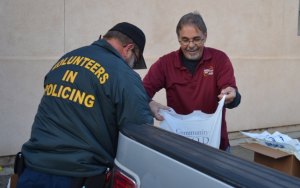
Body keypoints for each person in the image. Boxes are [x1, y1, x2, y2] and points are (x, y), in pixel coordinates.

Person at [16, 22, 153, 188]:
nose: (132, 66)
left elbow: (81, 101)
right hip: (78, 175)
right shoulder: (124, 74)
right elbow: (139, 132)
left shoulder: (66, 59)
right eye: (135, 61)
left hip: (32, 169)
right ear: (128, 49)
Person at [143, 11, 241, 151]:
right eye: (185, 40)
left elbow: (232, 96)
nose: (191, 45)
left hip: (216, 146)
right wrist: (149, 103)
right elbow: (140, 92)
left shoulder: (219, 60)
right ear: (178, 39)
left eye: (196, 39)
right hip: (179, 147)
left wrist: (233, 95)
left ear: (205, 37)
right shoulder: (165, 63)